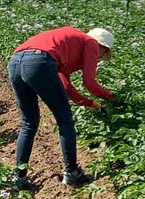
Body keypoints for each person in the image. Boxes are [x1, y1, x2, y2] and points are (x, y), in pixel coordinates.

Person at [7, 26, 115, 190]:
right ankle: (72, 173)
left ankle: (18, 178)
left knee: (28, 122)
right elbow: (89, 82)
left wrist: (89, 103)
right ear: (103, 47)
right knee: (64, 120)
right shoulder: (91, 43)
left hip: (15, 61)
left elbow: (65, 85)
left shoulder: (68, 44)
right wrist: (111, 98)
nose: (99, 59)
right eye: (102, 54)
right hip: (39, 63)